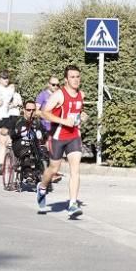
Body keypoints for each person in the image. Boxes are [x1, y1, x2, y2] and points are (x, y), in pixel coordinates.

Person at [37, 64, 86, 218]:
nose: (76, 80)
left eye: (77, 76)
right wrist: (64, 121)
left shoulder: (81, 95)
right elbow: (44, 113)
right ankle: (42, 187)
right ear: (66, 79)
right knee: (53, 169)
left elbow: (79, 112)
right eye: (72, 77)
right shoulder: (59, 95)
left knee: (75, 169)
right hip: (58, 136)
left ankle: (72, 203)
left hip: (74, 136)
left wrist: (83, 116)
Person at [10, 100, 48, 185]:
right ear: (24, 110)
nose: (31, 112)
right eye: (28, 110)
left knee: (44, 151)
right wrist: (18, 132)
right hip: (20, 145)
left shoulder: (37, 122)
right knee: (27, 151)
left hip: (34, 145)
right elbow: (12, 134)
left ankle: (42, 173)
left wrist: (42, 135)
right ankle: (28, 173)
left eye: (33, 110)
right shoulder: (17, 120)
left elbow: (44, 134)